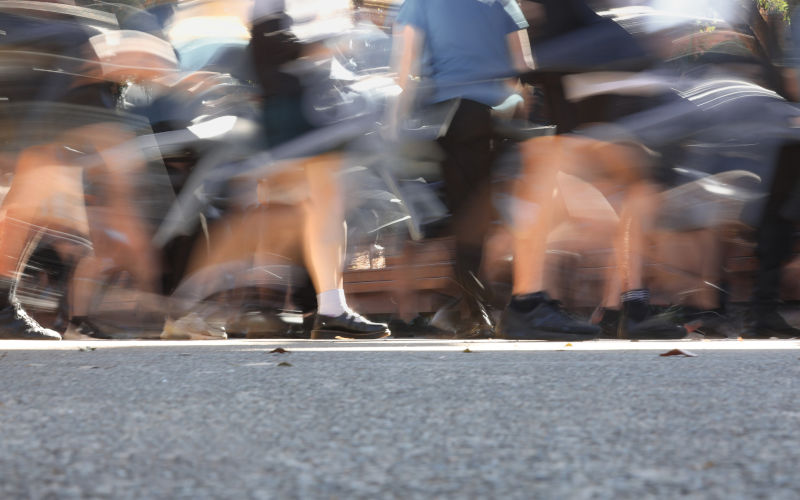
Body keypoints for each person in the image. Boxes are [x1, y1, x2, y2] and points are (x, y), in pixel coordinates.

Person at [249, 0, 390, 339]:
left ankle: (322, 307)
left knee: (316, 208)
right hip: (301, 103)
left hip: (300, 101)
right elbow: (270, 41)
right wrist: (326, 41)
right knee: (321, 207)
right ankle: (324, 308)